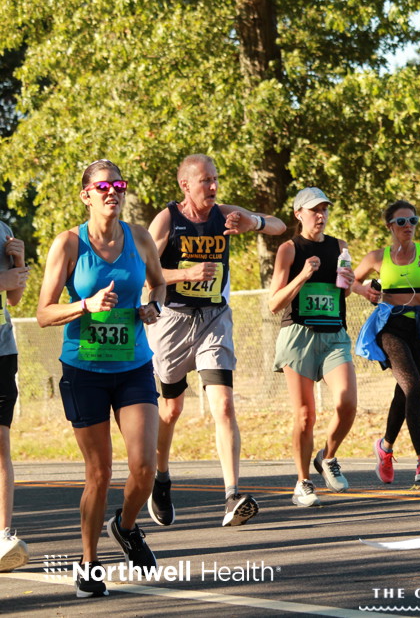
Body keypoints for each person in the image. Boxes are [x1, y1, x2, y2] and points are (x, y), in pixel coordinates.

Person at [37, 159, 165, 597]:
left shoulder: (140, 237)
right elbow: (43, 313)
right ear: (86, 195)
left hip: (133, 365)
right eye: (103, 186)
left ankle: (125, 527)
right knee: (99, 472)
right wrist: (84, 305)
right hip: (84, 370)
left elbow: (158, 283)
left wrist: (153, 307)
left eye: (118, 185)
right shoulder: (68, 243)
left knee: (144, 468)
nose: (113, 192)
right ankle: (89, 564)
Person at [145, 154, 285, 527]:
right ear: (185, 185)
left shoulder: (224, 214)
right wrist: (185, 273)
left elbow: (279, 225)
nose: (213, 186)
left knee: (223, 405)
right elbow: (144, 273)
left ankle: (231, 496)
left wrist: (253, 222)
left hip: (214, 319)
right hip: (172, 322)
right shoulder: (167, 220)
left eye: (215, 179)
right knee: (171, 410)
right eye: (205, 180)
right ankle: (161, 478)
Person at [353, 200, 420, 484]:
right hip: (391, 327)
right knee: (413, 387)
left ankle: (385, 448)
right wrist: (364, 291)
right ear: (390, 226)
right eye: (401, 222)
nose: (408, 226)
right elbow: (348, 281)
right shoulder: (377, 257)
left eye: (412, 221)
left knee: (405, 391)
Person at [268, 188, 357, 506]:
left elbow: (344, 291)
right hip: (298, 336)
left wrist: (350, 283)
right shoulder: (289, 250)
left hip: (333, 335)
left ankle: (327, 457)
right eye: (314, 210)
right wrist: (303, 275)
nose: (321, 215)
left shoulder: (340, 246)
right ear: (299, 214)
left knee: (347, 403)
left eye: (324, 209)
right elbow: (274, 303)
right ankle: (302, 482)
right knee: (305, 415)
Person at [0, 223, 29, 572]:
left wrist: (19, 264)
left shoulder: (3, 229)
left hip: (2, 349)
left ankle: (3, 536)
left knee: (1, 444)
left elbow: (13, 298)